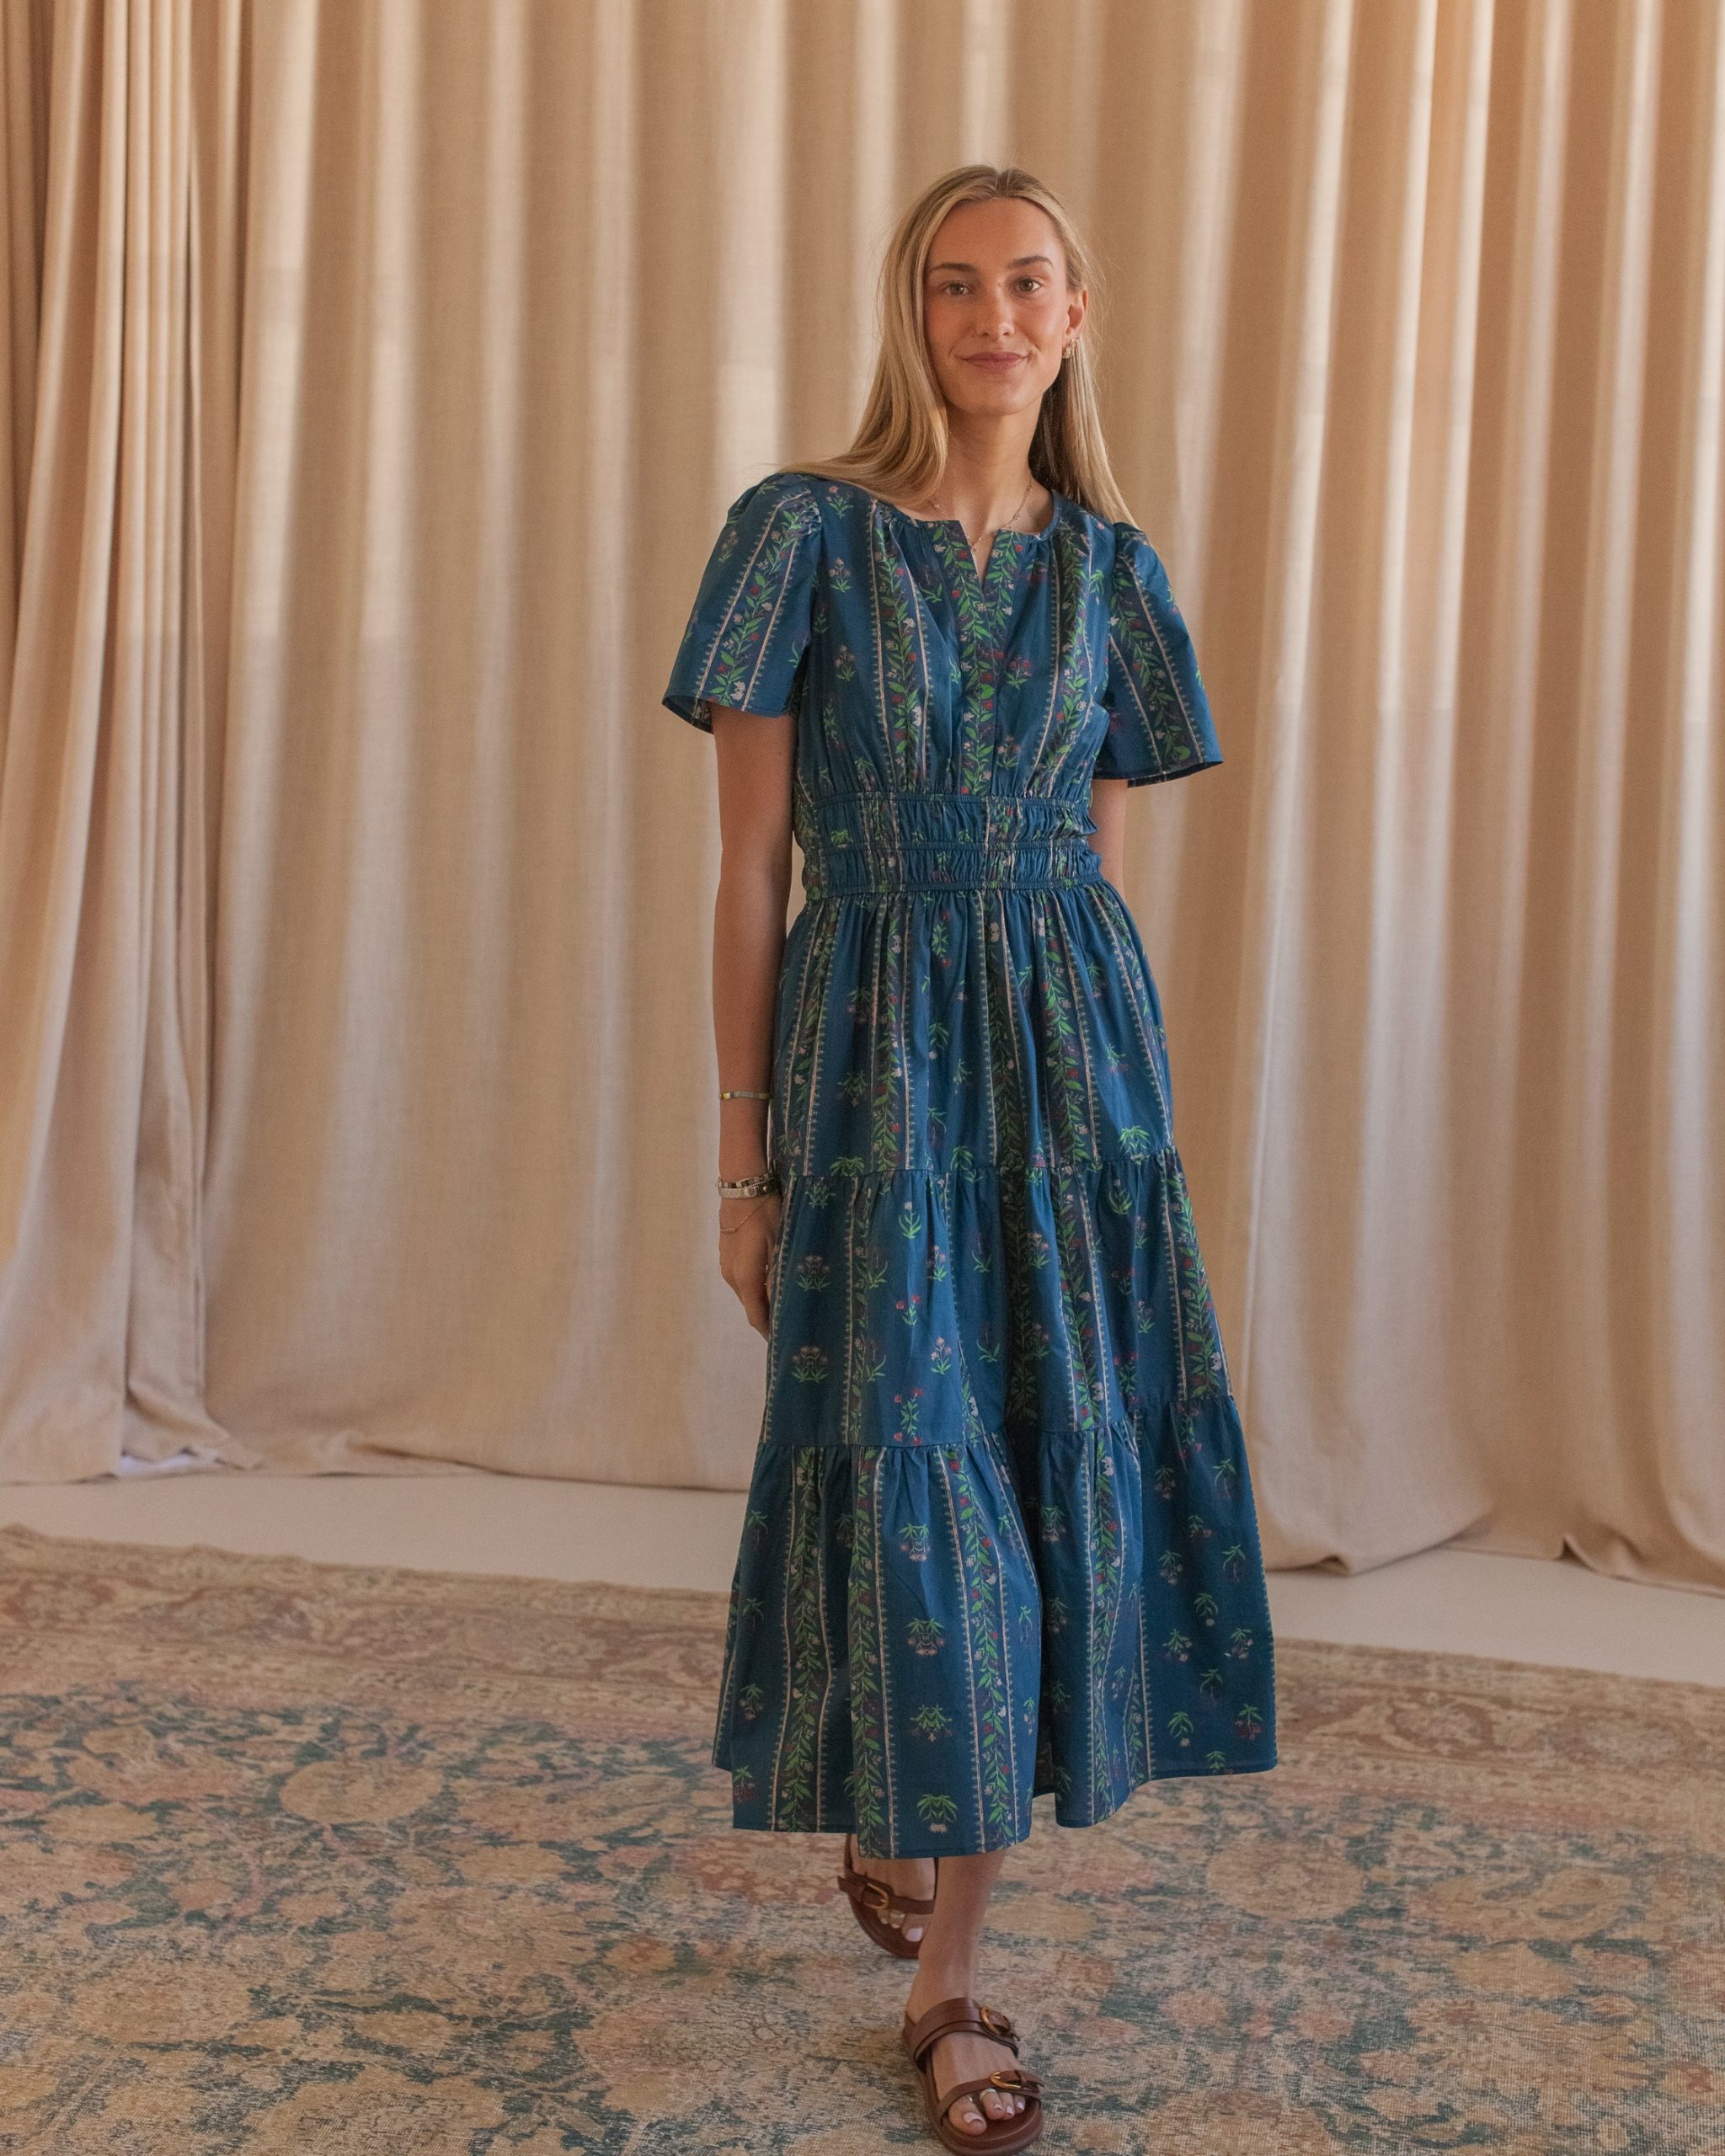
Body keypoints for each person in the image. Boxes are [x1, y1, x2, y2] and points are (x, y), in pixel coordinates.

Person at [661, 162, 1279, 2153]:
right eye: (953, 284)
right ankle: (895, 1789)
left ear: (1075, 313)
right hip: (870, 1069)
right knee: (914, 1469)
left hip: (1071, 1077)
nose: (991, 317)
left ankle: (950, 1976)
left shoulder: (1113, 570)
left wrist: (1118, 1133)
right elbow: (750, 864)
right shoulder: (802, 532)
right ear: (909, 312)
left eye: (1025, 282)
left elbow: (1101, 871)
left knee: (1038, 1466)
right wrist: (745, 1159)